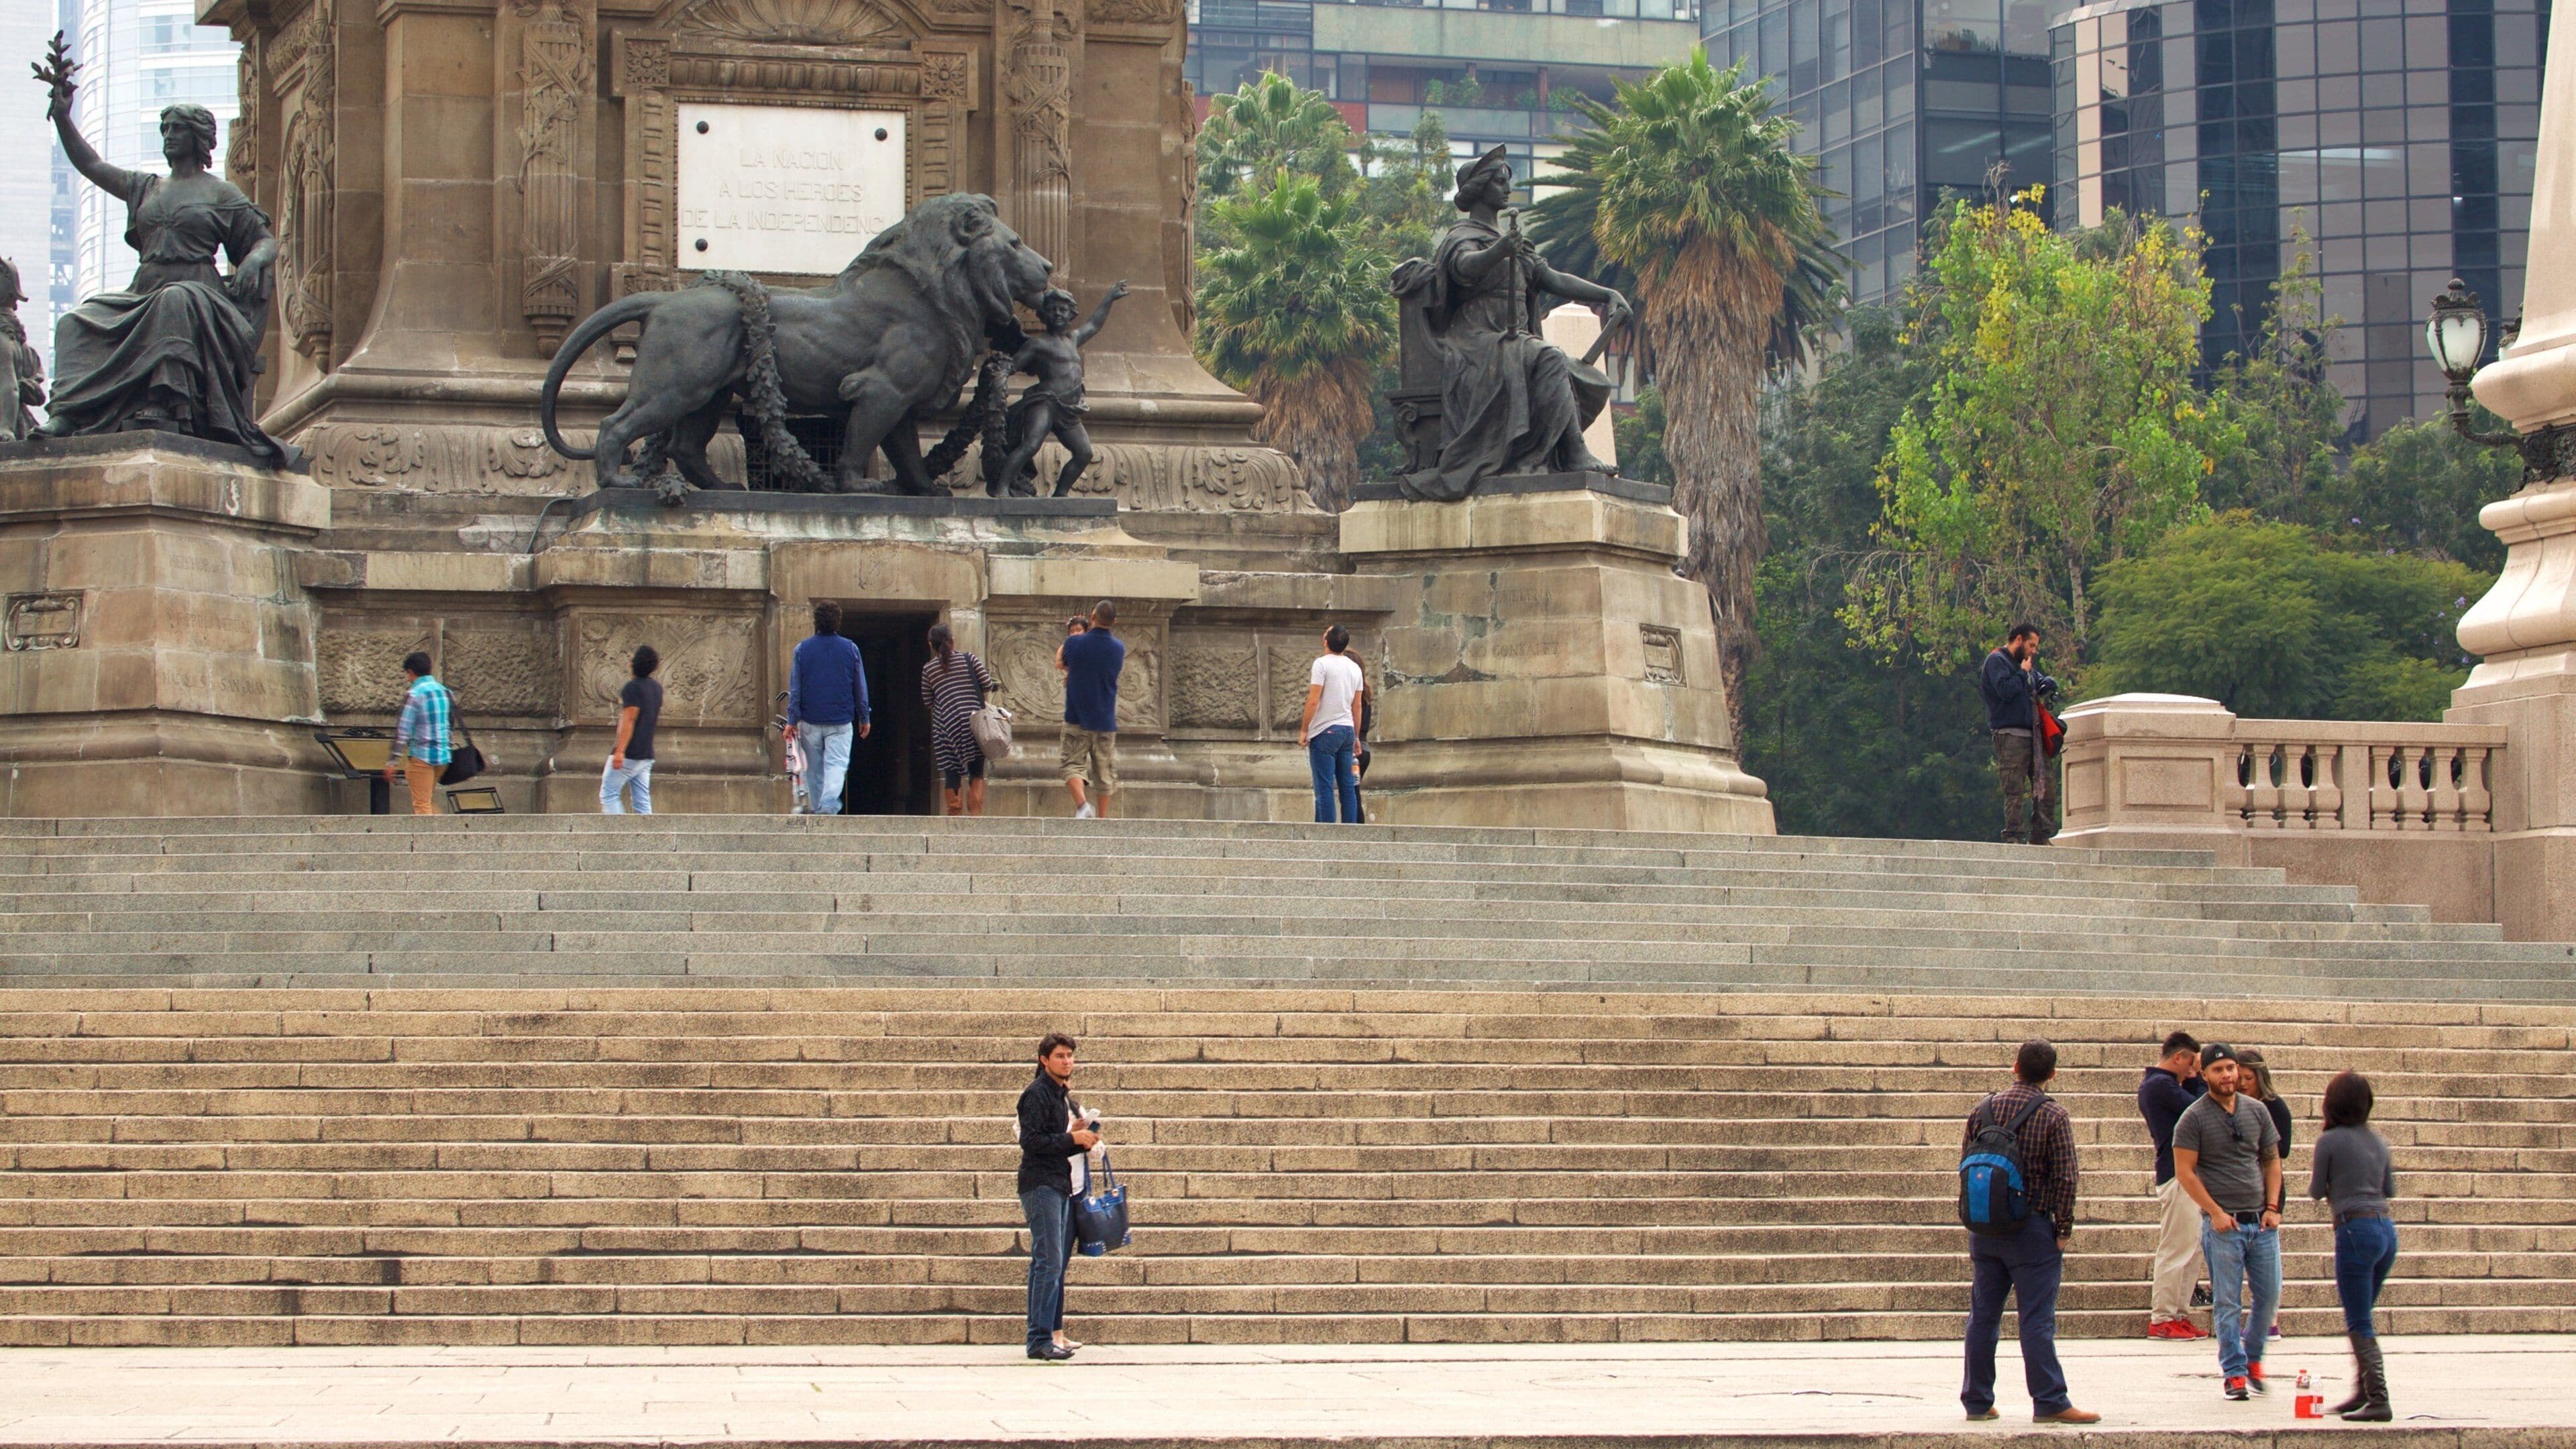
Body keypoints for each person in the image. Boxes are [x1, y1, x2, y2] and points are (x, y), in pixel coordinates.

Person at [33, 41, 293, 465]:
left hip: (199, 294)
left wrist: (253, 259)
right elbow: (93, 166)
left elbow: (265, 240)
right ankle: (67, 413)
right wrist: (63, 117)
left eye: (177, 130)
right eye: (165, 130)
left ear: (198, 137)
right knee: (75, 321)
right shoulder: (147, 188)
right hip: (144, 290)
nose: (169, 137)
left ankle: (164, 398)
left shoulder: (221, 194)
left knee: (175, 301)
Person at [1393, 144, 1632, 500]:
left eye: (1508, 182)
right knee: (1548, 358)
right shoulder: (1462, 238)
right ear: (1480, 189)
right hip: (1476, 338)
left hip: (1513, 338)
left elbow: (1553, 278)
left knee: (1584, 377)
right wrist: (1498, 251)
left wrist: (1605, 293)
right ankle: (1575, 452)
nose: (1506, 189)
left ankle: (1551, 451)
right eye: (1500, 181)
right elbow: (1462, 269)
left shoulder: (1517, 243)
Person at [1960, 1040, 2098, 1425]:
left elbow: (1965, 1165)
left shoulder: (1982, 1109)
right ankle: (2050, 1401)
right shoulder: (2053, 1115)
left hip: (1986, 1229)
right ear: (2052, 1074)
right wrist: (2064, 1228)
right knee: (2036, 1319)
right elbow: (2066, 1179)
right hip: (2033, 1229)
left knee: (1983, 1315)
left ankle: (1976, 1399)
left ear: (2015, 1065)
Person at [2172, 1042, 2284, 1401]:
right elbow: (2184, 1172)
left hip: (2260, 1223)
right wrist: (2215, 1212)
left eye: (2232, 1068)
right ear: (2204, 1074)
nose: (2228, 1076)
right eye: (2219, 1070)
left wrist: (2272, 1206)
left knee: (2269, 1297)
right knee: (2228, 1301)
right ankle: (2234, 1371)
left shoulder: (2257, 1111)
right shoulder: (2193, 1118)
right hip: (2224, 1226)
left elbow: (2271, 1160)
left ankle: (2252, 1357)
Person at [2310, 1069, 2397, 1421]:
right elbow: (2389, 1189)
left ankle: (2378, 1398)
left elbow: (2316, 1190)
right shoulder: (2378, 1141)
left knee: (2358, 1319)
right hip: (2385, 1231)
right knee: (2362, 1316)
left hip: (2354, 1231)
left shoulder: (2329, 1142)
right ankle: (2362, 1392)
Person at [993, 281, 1127, 498]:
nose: (1058, 313)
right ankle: (1001, 488)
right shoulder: (1038, 344)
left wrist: (1109, 299)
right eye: (1053, 310)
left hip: (1069, 409)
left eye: (1063, 310)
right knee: (1031, 445)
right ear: (1044, 315)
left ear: (1071, 314)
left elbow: (1094, 325)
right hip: (1045, 403)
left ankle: (1061, 493)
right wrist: (1000, 376)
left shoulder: (1073, 339)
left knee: (1084, 453)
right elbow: (1013, 366)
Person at [1016, 1032, 1102, 1362]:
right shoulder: (1036, 1094)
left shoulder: (1060, 1095)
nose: (1067, 1061)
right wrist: (1072, 1140)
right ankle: (1039, 1340)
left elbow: (1053, 1138)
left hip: (1059, 1183)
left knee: (1050, 1262)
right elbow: (1032, 1141)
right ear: (1044, 1061)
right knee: (1048, 1261)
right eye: (1060, 1056)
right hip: (1041, 1184)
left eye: (1070, 1056)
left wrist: (1076, 1133)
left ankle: (1045, 1336)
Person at [2138, 1030, 2210, 1340]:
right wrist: (2198, 1078)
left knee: (2191, 1248)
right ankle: (2163, 1316)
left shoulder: (2166, 1084)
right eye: (2192, 1062)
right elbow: (2201, 1109)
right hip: (2176, 1174)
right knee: (2177, 1247)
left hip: (2189, 1175)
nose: (2194, 1070)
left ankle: (2179, 1313)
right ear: (2178, 1057)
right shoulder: (2159, 1086)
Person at [783, 602, 869, 815]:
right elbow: (860, 686)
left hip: (810, 719)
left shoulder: (802, 649)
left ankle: (819, 807)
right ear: (838, 622)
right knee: (837, 765)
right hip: (840, 719)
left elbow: (796, 688)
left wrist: (792, 721)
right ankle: (829, 804)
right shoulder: (851, 648)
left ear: (816, 622)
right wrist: (864, 716)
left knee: (813, 770)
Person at [1978, 623, 2058, 845]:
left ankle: (2040, 834)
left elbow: (2036, 681)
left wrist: (2046, 684)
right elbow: (2004, 690)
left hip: (2034, 732)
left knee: (2046, 785)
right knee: (2014, 787)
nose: (2034, 651)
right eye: (2032, 645)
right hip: (2010, 733)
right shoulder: (1997, 661)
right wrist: (2023, 674)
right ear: (2019, 640)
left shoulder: (2024, 665)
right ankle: (2013, 835)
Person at [922, 623, 1000, 816]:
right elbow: (986, 685)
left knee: (951, 771)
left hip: (945, 725)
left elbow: (928, 700)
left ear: (931, 645)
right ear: (952, 640)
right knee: (976, 771)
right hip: (973, 722)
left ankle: (954, 813)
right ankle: (974, 815)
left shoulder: (929, 669)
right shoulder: (969, 659)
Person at [1058, 600, 1124, 818]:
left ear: (1092, 617)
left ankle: (1083, 806)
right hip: (1105, 718)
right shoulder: (1118, 648)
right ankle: (1102, 818)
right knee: (1105, 772)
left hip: (1076, 716)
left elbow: (1062, 661)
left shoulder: (1074, 644)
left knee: (1072, 764)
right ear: (1114, 622)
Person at [1300, 625, 1367, 824]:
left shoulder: (1321, 665)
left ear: (1326, 641)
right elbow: (1357, 706)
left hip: (1325, 731)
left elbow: (1314, 700)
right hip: (1347, 731)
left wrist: (1304, 729)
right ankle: (1349, 832)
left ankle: (1326, 835)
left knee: (1325, 788)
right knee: (1348, 787)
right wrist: (1356, 737)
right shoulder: (1355, 668)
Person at [383, 652, 452, 816]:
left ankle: (434, 840)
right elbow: (450, 724)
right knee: (426, 800)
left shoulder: (414, 695)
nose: (409, 679)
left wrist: (392, 762)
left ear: (411, 671)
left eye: (408, 674)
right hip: (443, 756)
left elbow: (403, 730)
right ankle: (445, 833)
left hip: (422, 756)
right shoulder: (445, 692)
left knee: (422, 806)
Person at [598, 645, 663, 814]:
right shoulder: (656, 688)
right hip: (646, 753)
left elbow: (630, 719)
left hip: (630, 753)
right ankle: (648, 837)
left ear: (635, 663)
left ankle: (620, 836)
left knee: (609, 794)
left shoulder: (632, 688)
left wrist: (620, 751)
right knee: (642, 800)